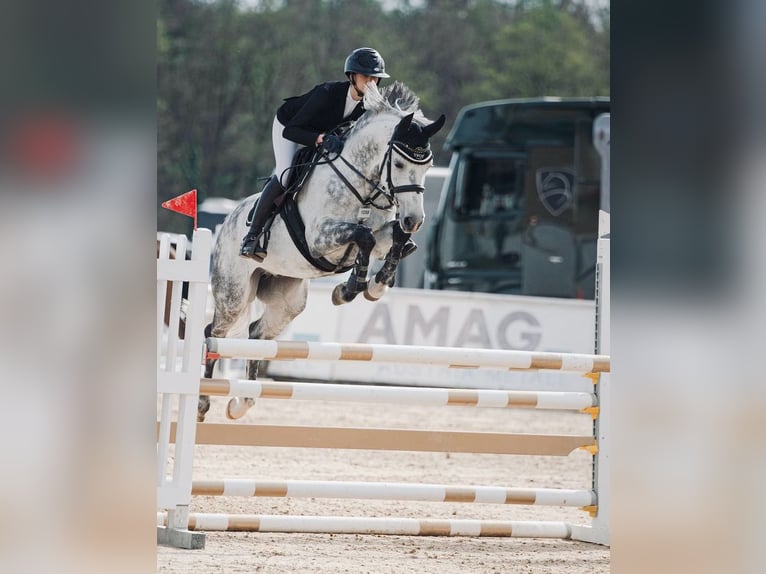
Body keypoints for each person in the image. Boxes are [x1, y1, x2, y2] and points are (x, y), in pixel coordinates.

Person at [240, 47, 390, 261]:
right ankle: (251, 236)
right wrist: (319, 139)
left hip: (326, 136)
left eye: (375, 78)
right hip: (290, 125)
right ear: (352, 76)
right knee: (284, 175)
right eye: (366, 77)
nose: (371, 83)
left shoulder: (370, 105)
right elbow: (291, 130)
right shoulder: (326, 94)